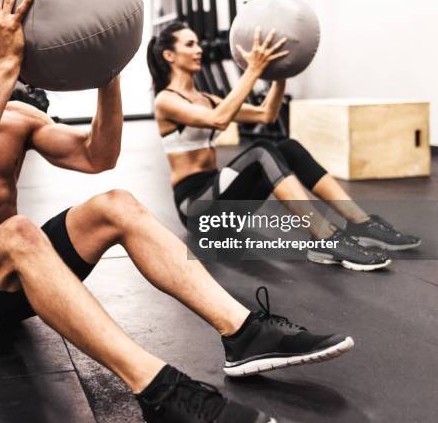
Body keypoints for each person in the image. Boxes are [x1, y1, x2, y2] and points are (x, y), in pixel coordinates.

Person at [0, 0, 354, 423]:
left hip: (17, 290)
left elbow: (98, 156)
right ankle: (159, 392)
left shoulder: (18, 116)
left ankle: (244, 333)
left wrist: (106, 74)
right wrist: (8, 63)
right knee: (18, 233)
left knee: (117, 203)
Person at [147, 22, 420, 272]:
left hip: (223, 199)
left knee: (288, 147)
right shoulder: (166, 100)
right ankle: (325, 237)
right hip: (196, 208)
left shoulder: (207, 98)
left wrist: (280, 74)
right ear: (169, 56)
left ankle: (361, 222)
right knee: (260, 150)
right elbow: (219, 120)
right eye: (189, 44)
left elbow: (266, 114)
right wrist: (253, 69)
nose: (198, 50)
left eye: (197, 43)